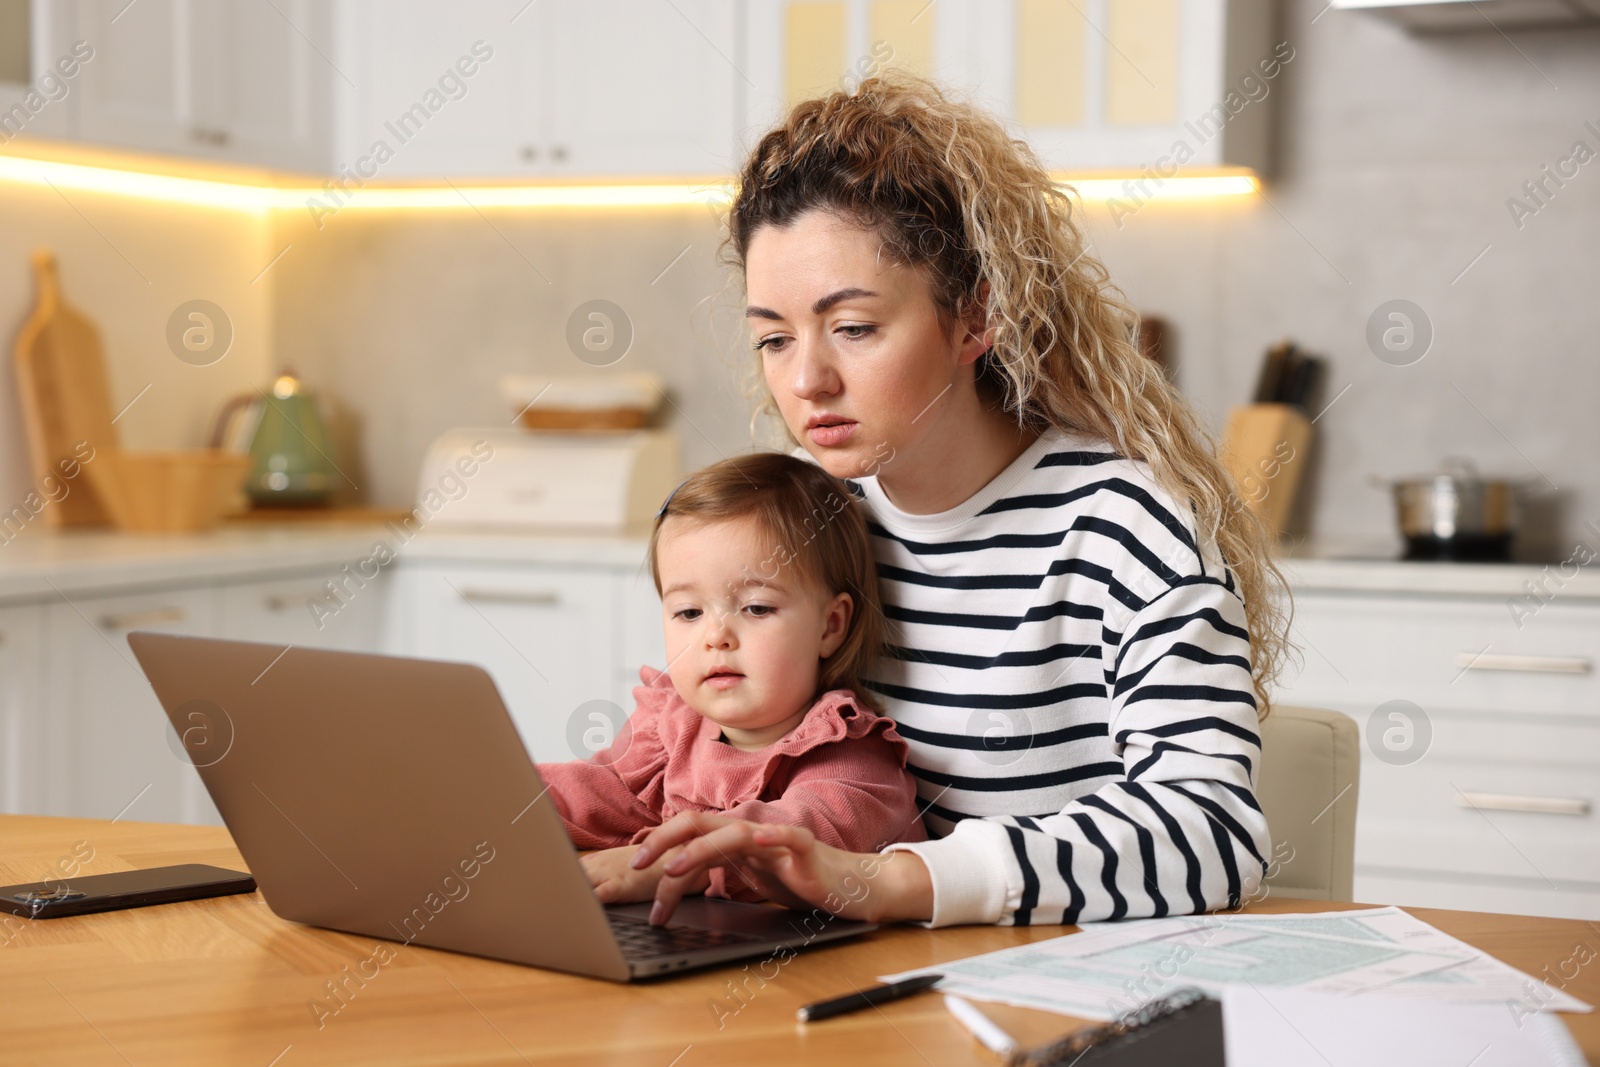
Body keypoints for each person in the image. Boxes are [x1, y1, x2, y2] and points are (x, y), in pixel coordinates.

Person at [630, 73, 1293, 929]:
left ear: (975, 318)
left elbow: (1214, 834)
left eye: (855, 327)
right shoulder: (811, 514)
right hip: (856, 976)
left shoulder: (1122, 525)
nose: (806, 379)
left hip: (1061, 993)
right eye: (773, 337)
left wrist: (893, 880)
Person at [537, 451, 927, 905]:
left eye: (756, 608)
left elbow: (792, 835)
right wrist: (497, 798)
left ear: (830, 626)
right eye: (689, 612)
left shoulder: (852, 758)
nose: (716, 636)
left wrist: (661, 864)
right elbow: (598, 791)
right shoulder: (671, 729)